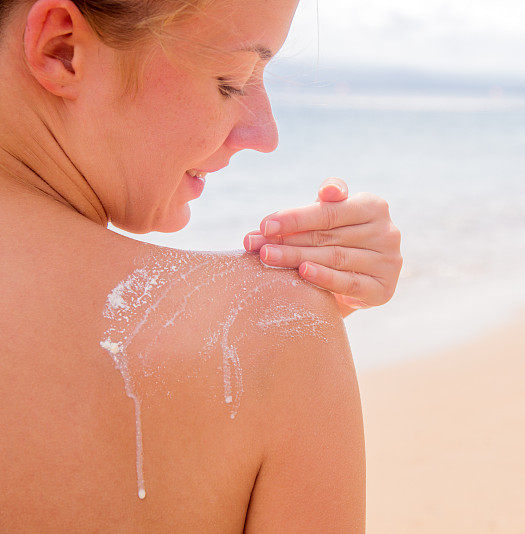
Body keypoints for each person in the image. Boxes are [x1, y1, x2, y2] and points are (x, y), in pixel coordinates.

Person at [0, 0, 402, 531]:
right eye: (231, 82)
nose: (266, 134)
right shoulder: (275, 332)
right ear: (62, 50)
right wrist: (294, 327)